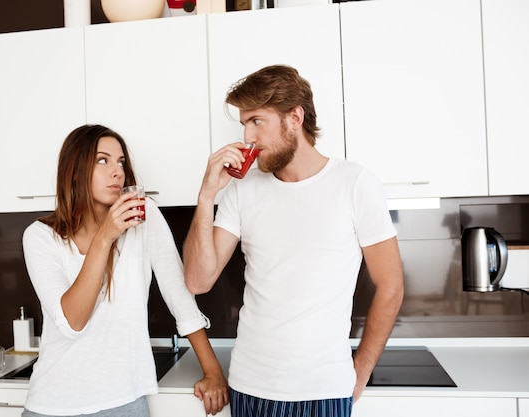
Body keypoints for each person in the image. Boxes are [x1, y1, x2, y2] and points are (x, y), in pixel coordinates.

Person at [183, 65, 404, 417]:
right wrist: (207, 194)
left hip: (323, 391)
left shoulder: (355, 183)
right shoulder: (242, 189)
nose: (247, 137)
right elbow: (197, 279)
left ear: (295, 118)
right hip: (250, 388)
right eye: (243, 124)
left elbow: (391, 285)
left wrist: (361, 368)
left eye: (256, 121)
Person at [21, 124, 228, 417]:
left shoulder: (144, 217)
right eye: (102, 160)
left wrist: (213, 372)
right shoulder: (40, 237)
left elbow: (178, 295)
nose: (117, 171)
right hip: (53, 403)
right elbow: (72, 322)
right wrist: (105, 236)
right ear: (75, 171)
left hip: (123, 400)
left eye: (120, 162)